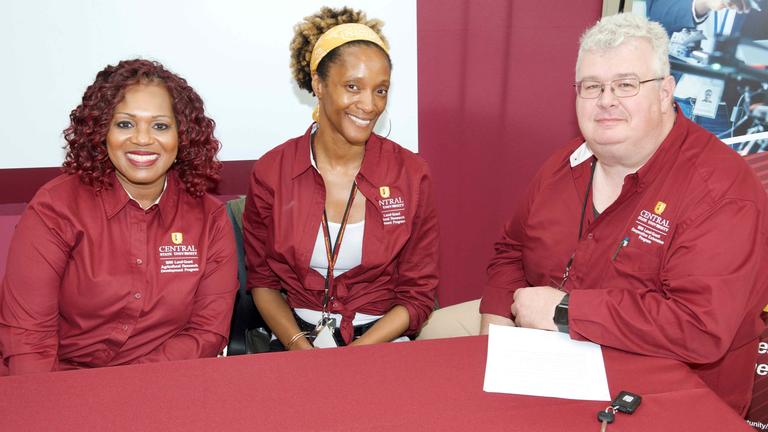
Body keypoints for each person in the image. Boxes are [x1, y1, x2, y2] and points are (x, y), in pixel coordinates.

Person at [0, 59, 238, 374]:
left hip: (161, 381)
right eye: (125, 124)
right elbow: (28, 340)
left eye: (160, 125)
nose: (142, 139)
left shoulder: (210, 218)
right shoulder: (56, 208)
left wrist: (127, 386)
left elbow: (206, 331)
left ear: (183, 137)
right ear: (101, 132)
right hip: (56, 381)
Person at [243, 7, 438, 350]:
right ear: (318, 84)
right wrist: (300, 348)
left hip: (382, 339)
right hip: (294, 337)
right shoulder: (273, 171)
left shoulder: (411, 174)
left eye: (380, 90)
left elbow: (418, 294)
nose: (369, 104)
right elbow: (263, 282)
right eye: (352, 86)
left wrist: (357, 354)